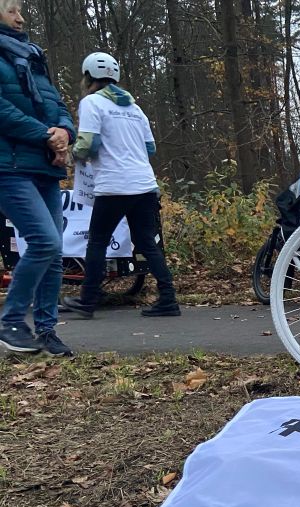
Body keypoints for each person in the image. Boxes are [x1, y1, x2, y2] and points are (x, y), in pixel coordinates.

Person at [62, 52, 179, 319]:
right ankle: (168, 299)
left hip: (114, 184)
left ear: (88, 77)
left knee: (97, 242)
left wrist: (74, 156)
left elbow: (88, 144)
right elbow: (150, 148)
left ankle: (88, 301)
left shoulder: (92, 102)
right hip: (145, 184)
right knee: (146, 242)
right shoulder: (135, 109)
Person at [0, 0, 76, 355]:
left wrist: (64, 132)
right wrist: (45, 135)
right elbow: (3, 111)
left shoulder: (32, 56)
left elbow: (56, 104)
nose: (21, 18)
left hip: (45, 166)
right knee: (44, 241)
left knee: (55, 251)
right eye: (11, 10)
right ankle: (12, 321)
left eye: (20, 10)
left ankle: (46, 330)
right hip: (9, 167)